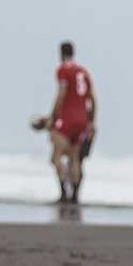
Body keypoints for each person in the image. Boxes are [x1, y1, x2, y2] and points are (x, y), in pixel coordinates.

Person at [46, 42, 95, 203]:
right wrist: (91, 121)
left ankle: (63, 192)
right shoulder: (83, 72)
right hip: (82, 119)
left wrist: (52, 116)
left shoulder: (63, 70)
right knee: (75, 157)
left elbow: (62, 93)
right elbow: (92, 99)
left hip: (67, 117)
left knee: (56, 156)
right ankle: (75, 194)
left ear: (61, 53)